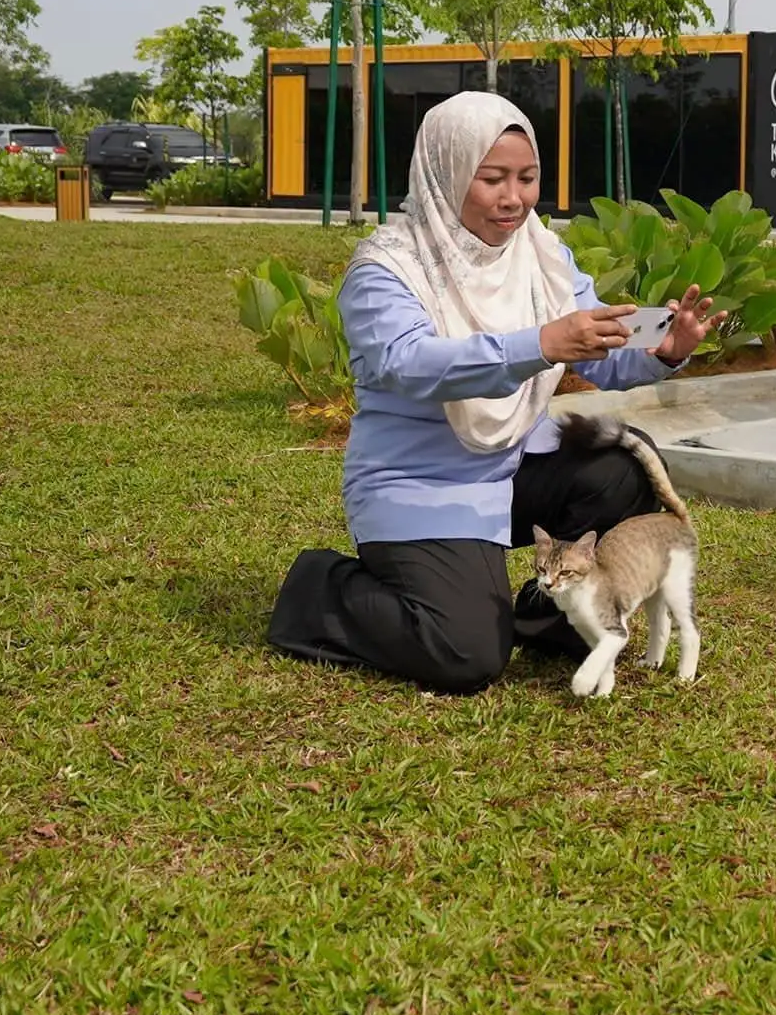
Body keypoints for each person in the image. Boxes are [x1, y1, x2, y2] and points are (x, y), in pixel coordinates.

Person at [268, 90, 719, 693]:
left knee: (620, 469)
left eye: (527, 177)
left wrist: (665, 350)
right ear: (445, 172)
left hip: (512, 464)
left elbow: (596, 352)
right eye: (492, 179)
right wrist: (540, 343)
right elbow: (408, 364)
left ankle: (545, 616)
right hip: (422, 484)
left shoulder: (541, 254)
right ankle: (319, 591)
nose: (514, 198)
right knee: (466, 654)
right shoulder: (386, 268)